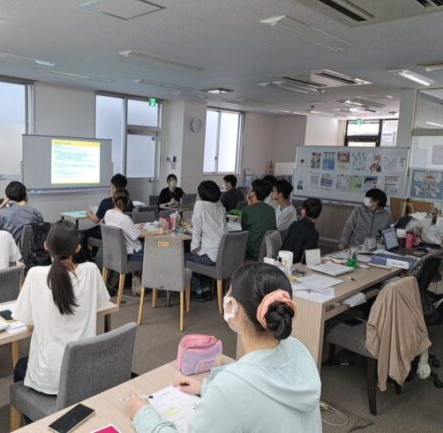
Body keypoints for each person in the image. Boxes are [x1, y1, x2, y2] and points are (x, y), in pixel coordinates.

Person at [128, 263, 322, 433]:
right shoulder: (299, 349)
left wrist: (143, 415)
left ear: (234, 307)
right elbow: (258, 389)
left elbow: (241, 390)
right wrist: (206, 388)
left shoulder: (230, 388)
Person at [13, 220, 110, 398]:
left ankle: (33, 412)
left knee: (20, 367)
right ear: (78, 248)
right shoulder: (91, 270)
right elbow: (101, 305)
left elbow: (30, 325)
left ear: (46, 246)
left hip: (49, 376)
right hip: (84, 371)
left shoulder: (35, 274)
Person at [187, 181, 228, 301]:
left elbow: (196, 230)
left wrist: (194, 248)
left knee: (183, 257)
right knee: (201, 254)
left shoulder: (200, 205)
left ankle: (198, 291)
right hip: (222, 253)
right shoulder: (219, 204)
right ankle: (206, 289)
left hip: (210, 256)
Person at [82, 173, 134, 260]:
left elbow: (96, 220)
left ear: (113, 188)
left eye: (111, 186)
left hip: (106, 233)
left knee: (82, 234)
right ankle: (93, 255)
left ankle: (89, 259)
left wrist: (88, 214)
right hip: (123, 235)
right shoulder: (129, 202)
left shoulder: (106, 202)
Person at [104, 189, 164, 261]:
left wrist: (134, 225)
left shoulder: (108, 213)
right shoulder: (125, 219)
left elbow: (119, 226)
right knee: (160, 250)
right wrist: (158, 232)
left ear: (113, 200)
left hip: (116, 251)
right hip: (133, 253)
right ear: (128, 202)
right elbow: (139, 235)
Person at [240, 179, 277, 260]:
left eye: (250, 188)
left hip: (253, 252)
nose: (248, 190)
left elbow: (244, 231)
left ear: (253, 192)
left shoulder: (247, 210)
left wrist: (249, 206)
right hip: (268, 250)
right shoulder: (271, 209)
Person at [281, 198, 323, 263]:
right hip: (297, 266)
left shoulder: (294, 225)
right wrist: (320, 260)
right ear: (318, 214)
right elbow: (309, 260)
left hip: (282, 261)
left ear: (303, 211)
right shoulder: (314, 234)